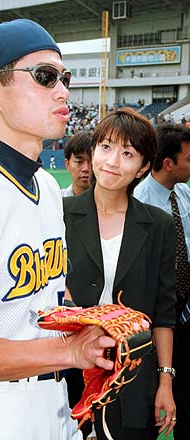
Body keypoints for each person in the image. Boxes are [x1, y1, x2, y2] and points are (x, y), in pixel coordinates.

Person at [0, 19, 116, 440]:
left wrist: (87, 320)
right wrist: (67, 349)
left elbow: (43, 298)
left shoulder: (46, 186)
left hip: (54, 399)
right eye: (46, 77)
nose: (64, 91)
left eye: (63, 78)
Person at [63, 107, 177, 440]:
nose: (112, 161)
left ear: (143, 166)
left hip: (135, 374)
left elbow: (163, 312)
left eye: (127, 153)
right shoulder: (60, 214)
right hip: (68, 370)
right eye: (106, 147)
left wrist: (166, 381)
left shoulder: (159, 225)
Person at [134, 123, 190, 440]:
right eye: (189, 158)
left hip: (186, 311)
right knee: (151, 398)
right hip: (156, 315)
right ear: (168, 163)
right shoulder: (140, 203)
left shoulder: (183, 194)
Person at [61, 132, 92, 197]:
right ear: (67, 164)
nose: (85, 168)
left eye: (92, 162)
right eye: (79, 162)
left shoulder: (113, 203)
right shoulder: (57, 201)